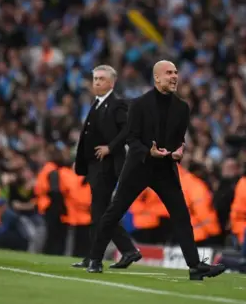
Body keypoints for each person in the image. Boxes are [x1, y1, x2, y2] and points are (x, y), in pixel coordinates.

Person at [86, 60, 226, 281]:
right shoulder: (139, 104)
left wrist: (180, 151)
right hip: (138, 167)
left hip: (164, 168)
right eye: (169, 73)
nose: (174, 77)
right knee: (115, 211)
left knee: (181, 214)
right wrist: (149, 152)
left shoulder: (182, 108)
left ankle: (195, 266)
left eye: (176, 73)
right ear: (157, 78)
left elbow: (180, 140)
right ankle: (95, 258)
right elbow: (131, 139)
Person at [72, 65, 140, 269]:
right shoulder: (98, 103)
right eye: (95, 79)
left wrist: (111, 148)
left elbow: (129, 129)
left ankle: (96, 258)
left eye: (101, 79)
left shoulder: (117, 104)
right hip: (95, 165)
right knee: (99, 213)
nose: (97, 82)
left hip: (108, 166)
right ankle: (127, 251)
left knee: (100, 212)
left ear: (112, 82)